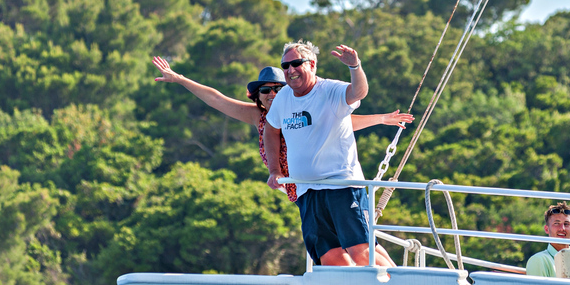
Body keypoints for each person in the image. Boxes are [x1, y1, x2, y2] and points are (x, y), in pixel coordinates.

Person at [152, 55, 413, 203]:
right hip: (296, 186)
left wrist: (379, 119)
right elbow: (217, 99)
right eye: (265, 91)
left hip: (324, 183)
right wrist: (180, 79)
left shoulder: (301, 107)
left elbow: (343, 122)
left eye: (278, 89)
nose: (272, 95)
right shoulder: (259, 116)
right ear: (257, 96)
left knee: (348, 244)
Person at [264, 40, 395, 268]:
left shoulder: (330, 90)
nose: (290, 70)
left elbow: (358, 92)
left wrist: (355, 67)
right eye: (285, 66)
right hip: (307, 191)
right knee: (330, 258)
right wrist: (274, 169)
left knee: (361, 252)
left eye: (296, 63)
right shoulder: (283, 97)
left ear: (312, 65)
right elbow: (271, 129)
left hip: (342, 187)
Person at [526, 202, 570, 277]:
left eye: (566, 224)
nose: (562, 228)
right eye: (556, 223)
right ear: (547, 229)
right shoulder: (539, 260)